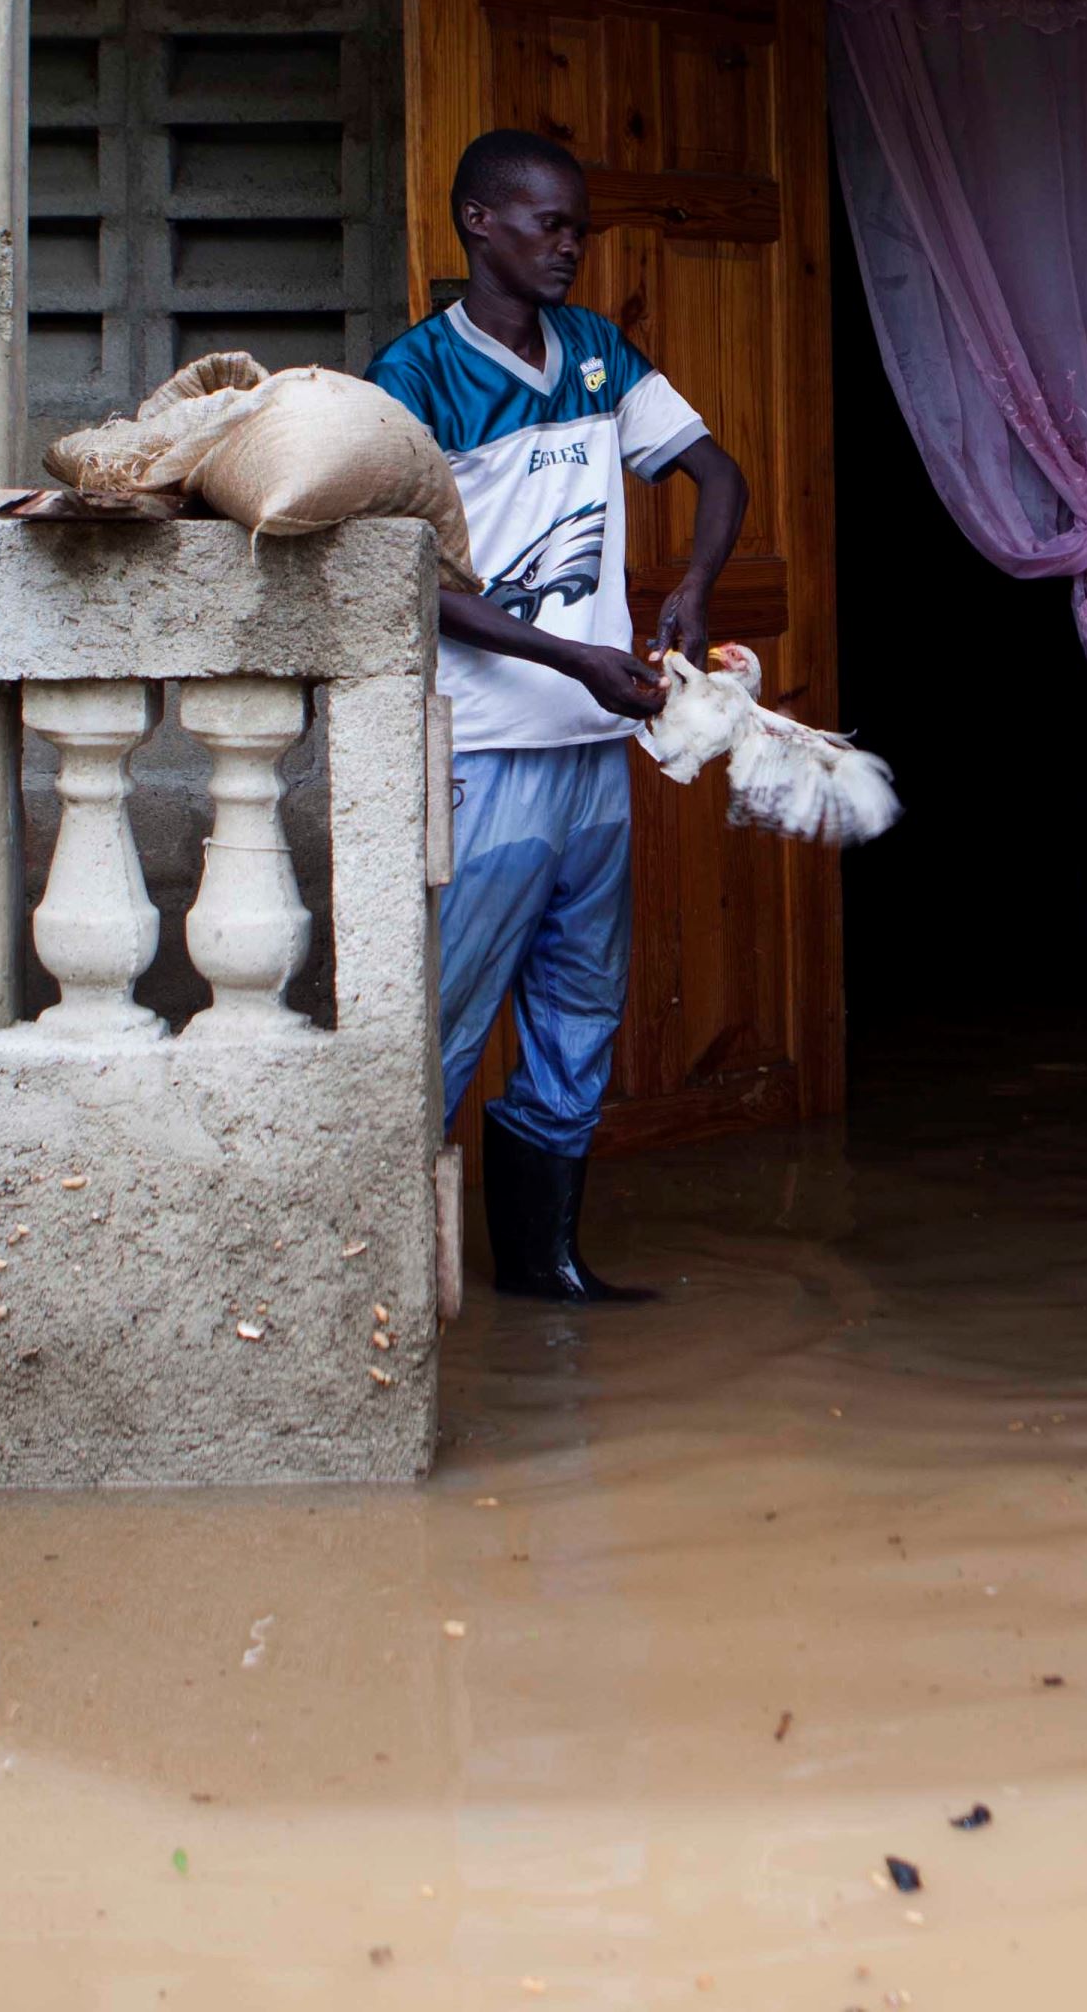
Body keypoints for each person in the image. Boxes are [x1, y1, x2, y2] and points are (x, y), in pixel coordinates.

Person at [368, 128, 748, 1304]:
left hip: (595, 747)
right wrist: (566, 656)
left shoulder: (596, 352)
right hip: (487, 746)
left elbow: (717, 473)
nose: (570, 245)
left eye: (580, 226)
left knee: (582, 1004)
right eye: (548, 223)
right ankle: (374, 1284)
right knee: (446, 1007)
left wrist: (687, 587)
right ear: (480, 222)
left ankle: (543, 1269)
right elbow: (406, 580)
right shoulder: (412, 378)